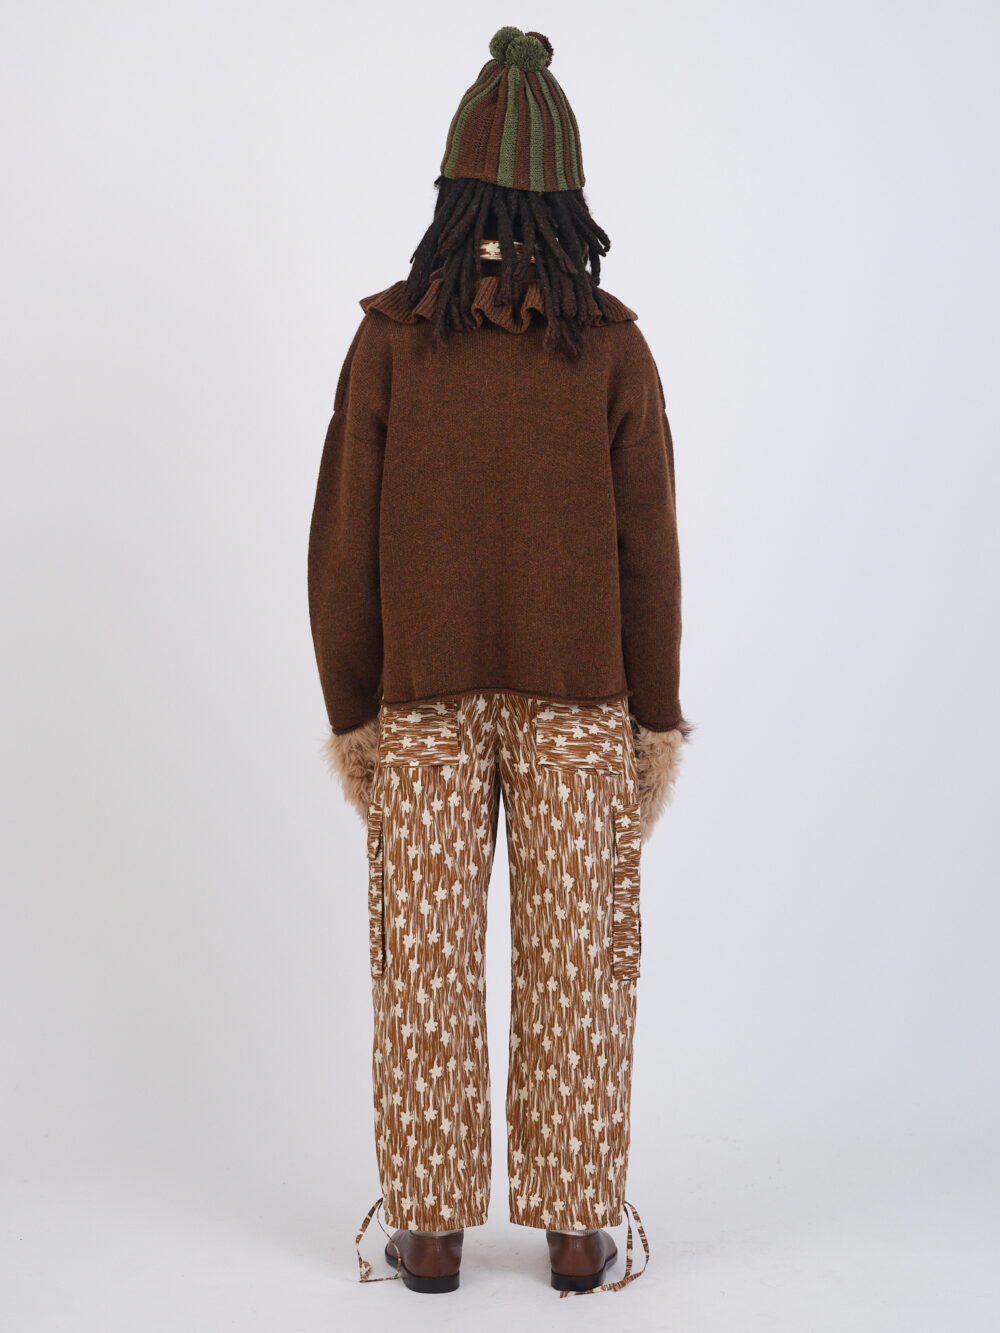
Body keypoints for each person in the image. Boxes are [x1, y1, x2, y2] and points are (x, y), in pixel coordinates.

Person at [308, 24, 691, 1298]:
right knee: (579, 954)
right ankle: (576, 1231)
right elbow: (648, 555)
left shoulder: (388, 340)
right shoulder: (614, 347)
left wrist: (355, 709)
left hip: (419, 695)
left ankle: (428, 1233)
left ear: (452, 190)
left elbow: (342, 543)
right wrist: (653, 717)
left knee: (420, 956)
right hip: (582, 698)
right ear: (567, 197)